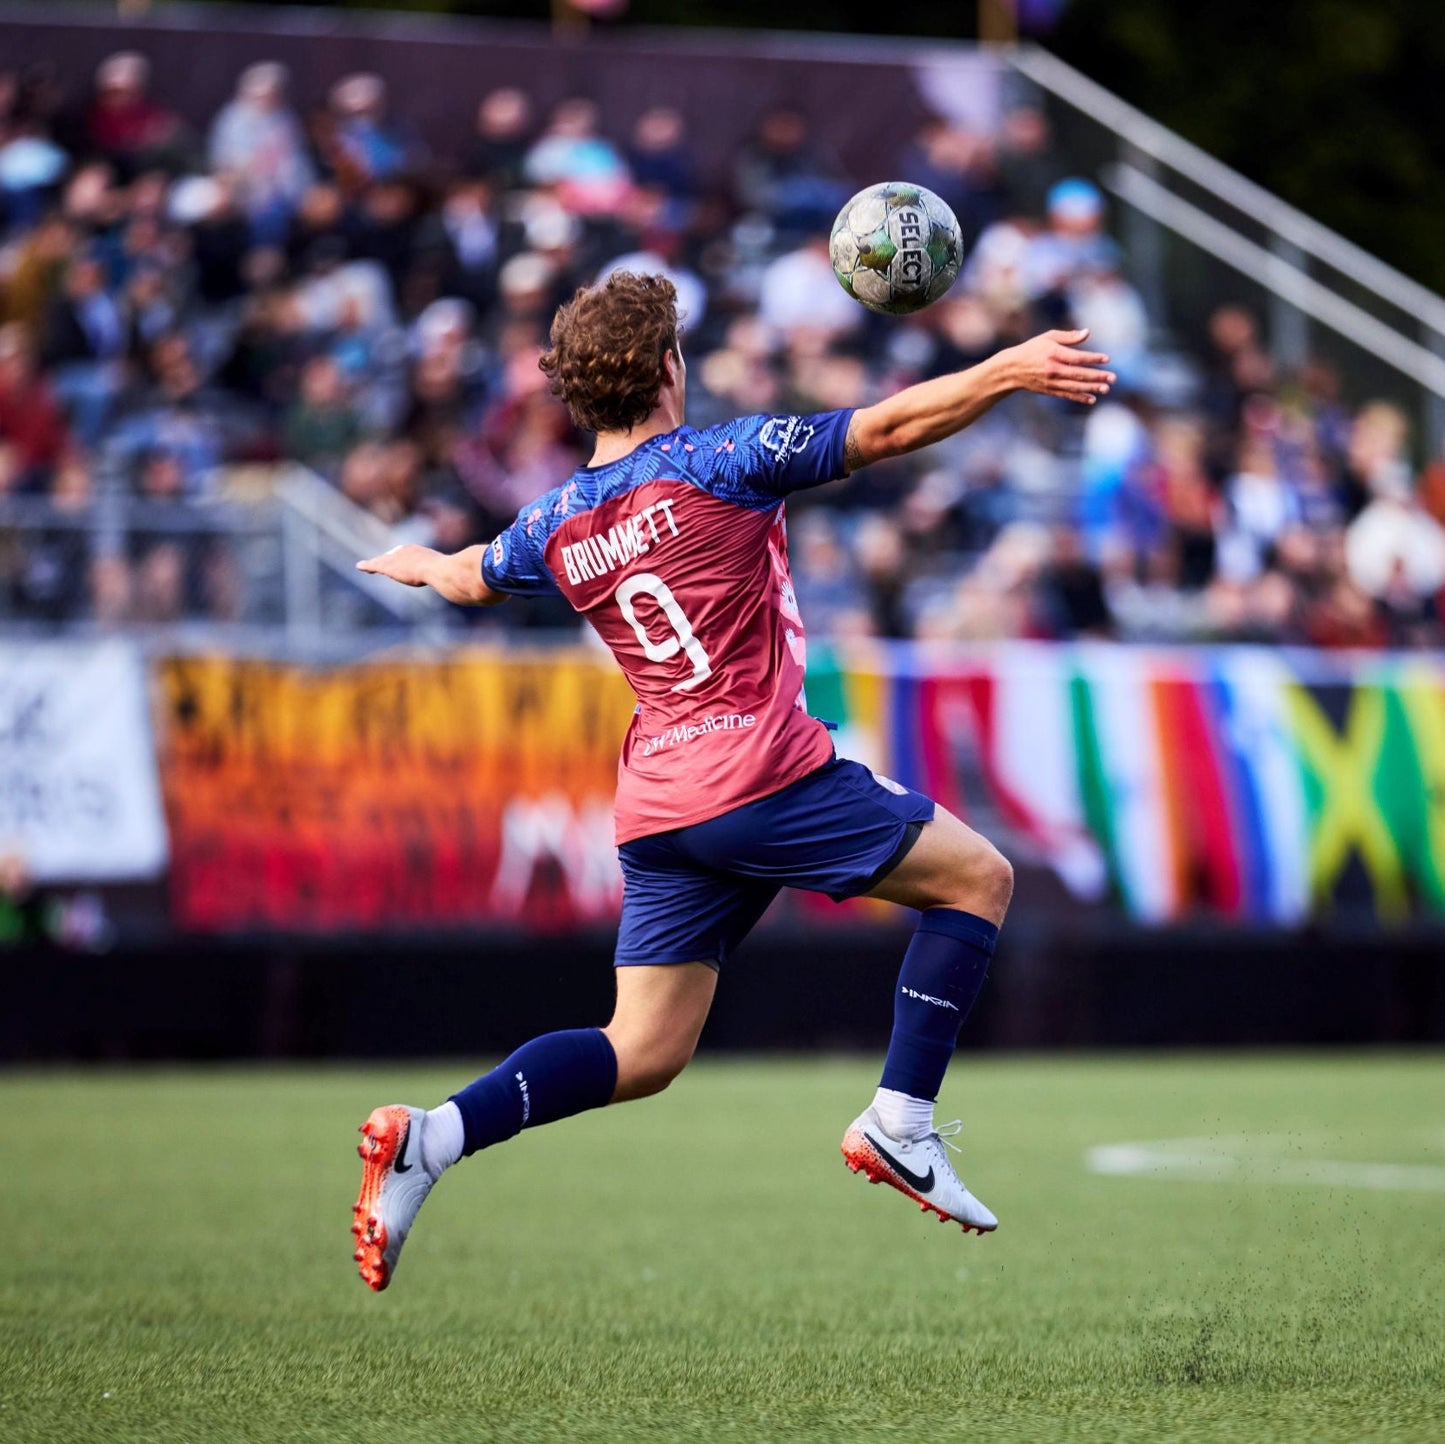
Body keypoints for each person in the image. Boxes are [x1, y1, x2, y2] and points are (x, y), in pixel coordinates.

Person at [351, 271, 1113, 1291]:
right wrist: (1008, 367)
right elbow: (881, 432)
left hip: (661, 805)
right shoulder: (722, 458)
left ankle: (432, 1138)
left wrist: (417, 558)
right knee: (976, 880)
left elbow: (468, 573)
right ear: (668, 368)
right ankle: (900, 1122)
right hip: (759, 774)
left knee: (643, 1049)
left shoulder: (552, 525)